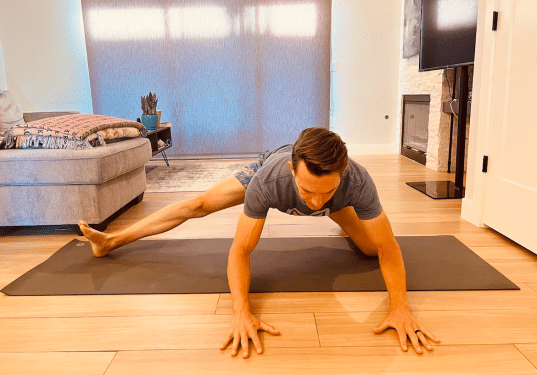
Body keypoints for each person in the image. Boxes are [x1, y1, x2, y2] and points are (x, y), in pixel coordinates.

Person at [79, 127, 440, 358]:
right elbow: (241, 250)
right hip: (266, 171)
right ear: (291, 173)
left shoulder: (357, 182)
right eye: (306, 191)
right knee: (198, 205)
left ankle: (340, 215)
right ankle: (110, 241)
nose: (314, 202)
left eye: (324, 192)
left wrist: (400, 307)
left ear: (342, 176)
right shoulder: (268, 181)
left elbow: (390, 247)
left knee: (370, 248)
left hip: (343, 204)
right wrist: (241, 311)